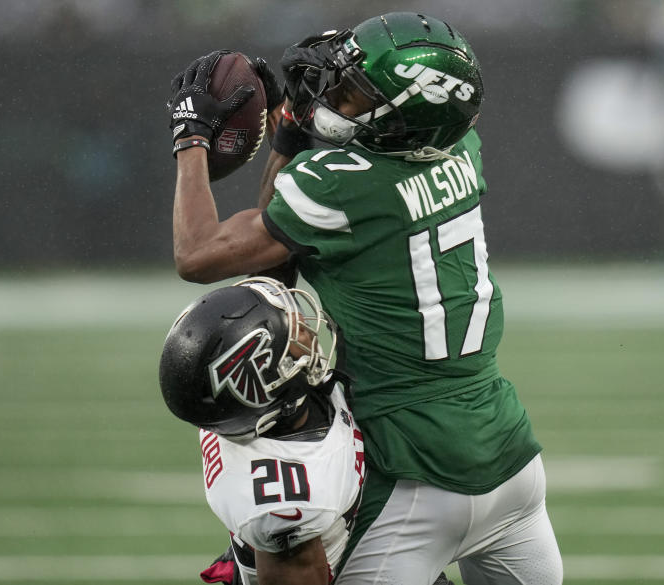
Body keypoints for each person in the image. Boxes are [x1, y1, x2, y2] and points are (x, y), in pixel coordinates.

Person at [165, 12, 563, 585]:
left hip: (415, 471)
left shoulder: (342, 183)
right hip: (510, 460)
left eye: (353, 93)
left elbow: (200, 254)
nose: (336, 96)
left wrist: (192, 138)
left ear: (402, 122)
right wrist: (294, 129)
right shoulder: (462, 148)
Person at [158, 277, 365, 585]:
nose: (307, 332)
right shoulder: (285, 501)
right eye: (294, 335)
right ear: (260, 385)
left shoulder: (239, 413)